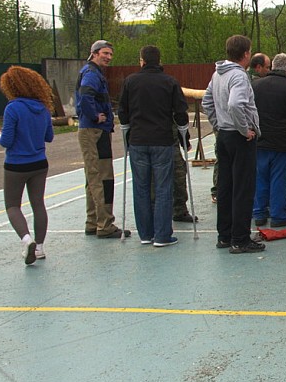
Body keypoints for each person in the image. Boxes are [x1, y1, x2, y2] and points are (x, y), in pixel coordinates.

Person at [118, 45, 190, 247]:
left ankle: (145, 234)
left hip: (138, 141)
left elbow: (122, 111)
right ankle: (162, 235)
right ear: (159, 61)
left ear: (142, 61)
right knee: (163, 187)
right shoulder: (170, 82)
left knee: (141, 187)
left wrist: (128, 132)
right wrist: (184, 135)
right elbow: (180, 112)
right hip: (162, 140)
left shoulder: (130, 81)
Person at [202, 35, 266, 254]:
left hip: (224, 136)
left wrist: (218, 124)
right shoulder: (239, 76)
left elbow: (207, 102)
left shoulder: (217, 74)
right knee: (243, 188)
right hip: (239, 138)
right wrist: (244, 129)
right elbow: (236, 104)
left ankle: (225, 235)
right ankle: (240, 239)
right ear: (246, 54)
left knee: (226, 187)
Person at [0, 66, 55, 265]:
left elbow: (7, 141)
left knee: (12, 205)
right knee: (38, 204)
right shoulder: (43, 108)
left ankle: (26, 239)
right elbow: (49, 136)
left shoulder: (13, 108)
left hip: (16, 164)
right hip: (39, 163)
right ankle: (40, 247)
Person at [75, 39, 128, 238]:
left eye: (110, 54)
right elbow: (85, 97)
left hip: (98, 130)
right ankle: (105, 225)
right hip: (93, 131)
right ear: (94, 53)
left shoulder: (94, 73)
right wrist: (95, 116)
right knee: (101, 177)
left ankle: (93, 221)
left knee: (93, 176)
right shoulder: (91, 74)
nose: (108, 57)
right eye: (105, 53)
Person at [253, 53, 286, 227]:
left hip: (260, 139)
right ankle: (278, 216)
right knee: (280, 179)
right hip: (284, 141)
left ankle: (259, 213)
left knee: (260, 177)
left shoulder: (255, 85)